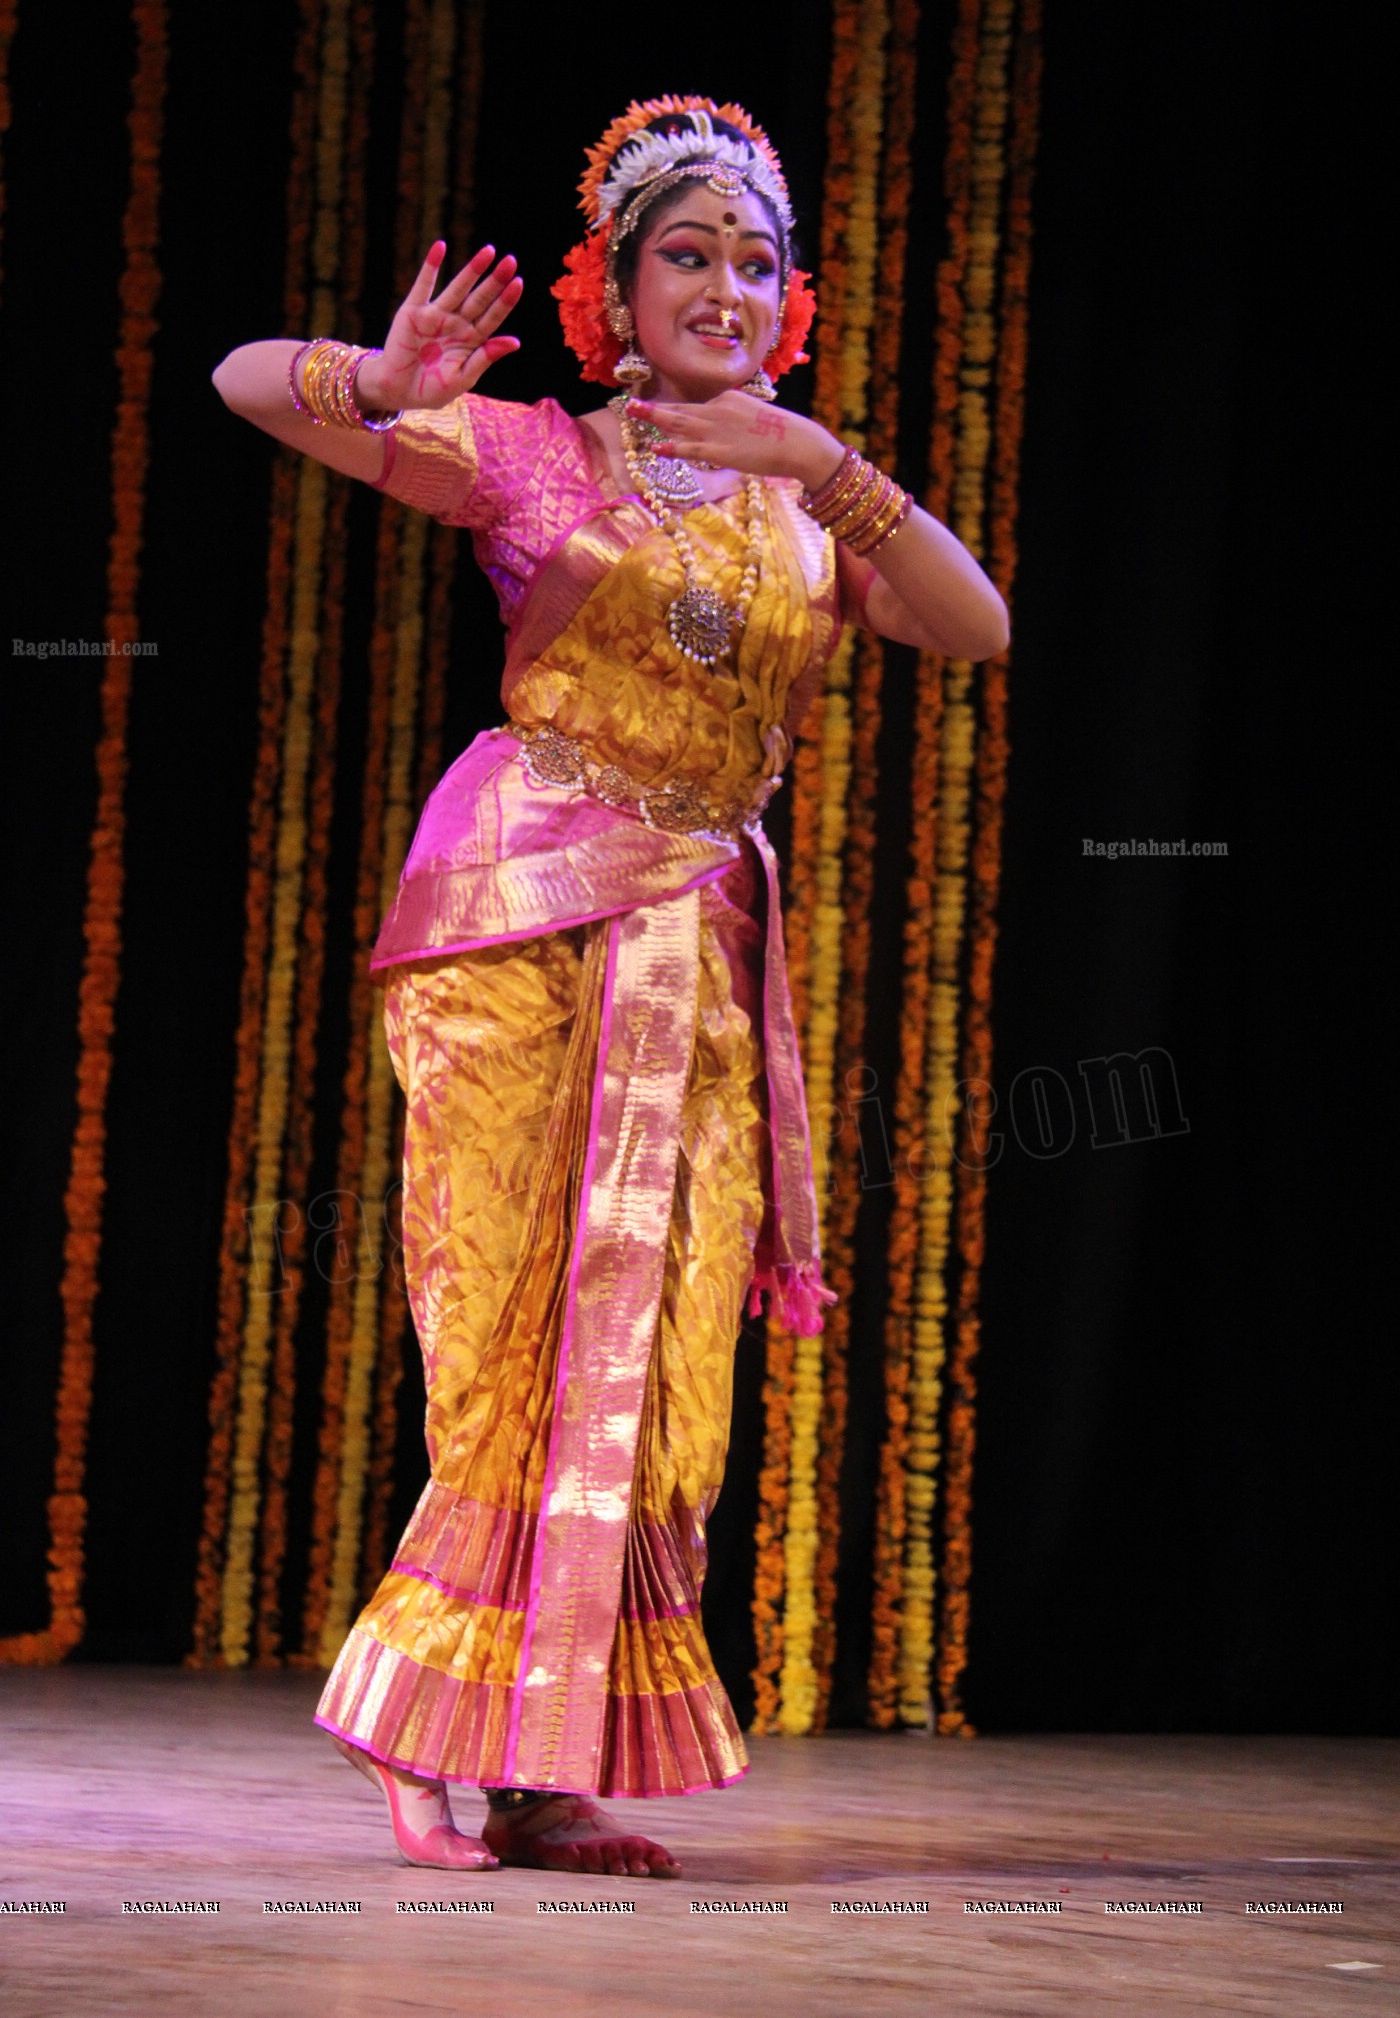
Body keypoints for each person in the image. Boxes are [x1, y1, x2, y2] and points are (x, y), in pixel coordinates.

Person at [212, 95, 1008, 1879]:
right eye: (687, 257)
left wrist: (834, 473)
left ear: (787, 300)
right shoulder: (542, 456)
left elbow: (978, 628)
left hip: (701, 953)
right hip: (524, 920)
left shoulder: (811, 514)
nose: (727, 288)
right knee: (500, 1322)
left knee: (652, 1365)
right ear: (615, 290)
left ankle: (548, 1758)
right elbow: (247, 383)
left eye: (756, 262)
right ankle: (422, 1729)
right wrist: (391, 377)